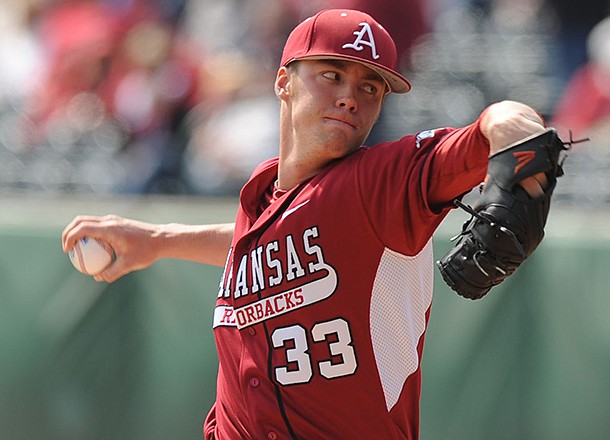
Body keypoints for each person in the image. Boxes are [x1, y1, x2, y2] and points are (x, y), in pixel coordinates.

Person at [62, 9, 557, 440]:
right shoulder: (262, 196)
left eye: (370, 87)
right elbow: (259, 244)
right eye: (332, 74)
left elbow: (501, 125)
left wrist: (521, 136)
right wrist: (157, 241)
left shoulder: (382, 186)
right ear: (284, 81)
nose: (350, 98)